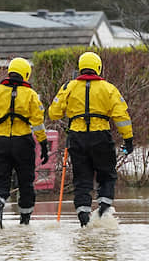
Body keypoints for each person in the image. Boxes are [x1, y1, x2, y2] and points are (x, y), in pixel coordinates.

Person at [47, 51, 133, 227]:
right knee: (107, 176)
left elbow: (53, 113)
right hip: (101, 137)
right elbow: (121, 117)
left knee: (82, 180)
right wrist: (128, 139)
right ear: (98, 68)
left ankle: (84, 220)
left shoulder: (68, 87)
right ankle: (103, 208)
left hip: (77, 138)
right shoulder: (109, 88)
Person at [0, 57, 48, 227]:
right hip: (23, 142)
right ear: (26, 74)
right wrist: (44, 144)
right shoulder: (31, 95)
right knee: (26, 182)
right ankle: (24, 222)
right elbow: (38, 123)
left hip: (1, 142)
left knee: (1, 180)